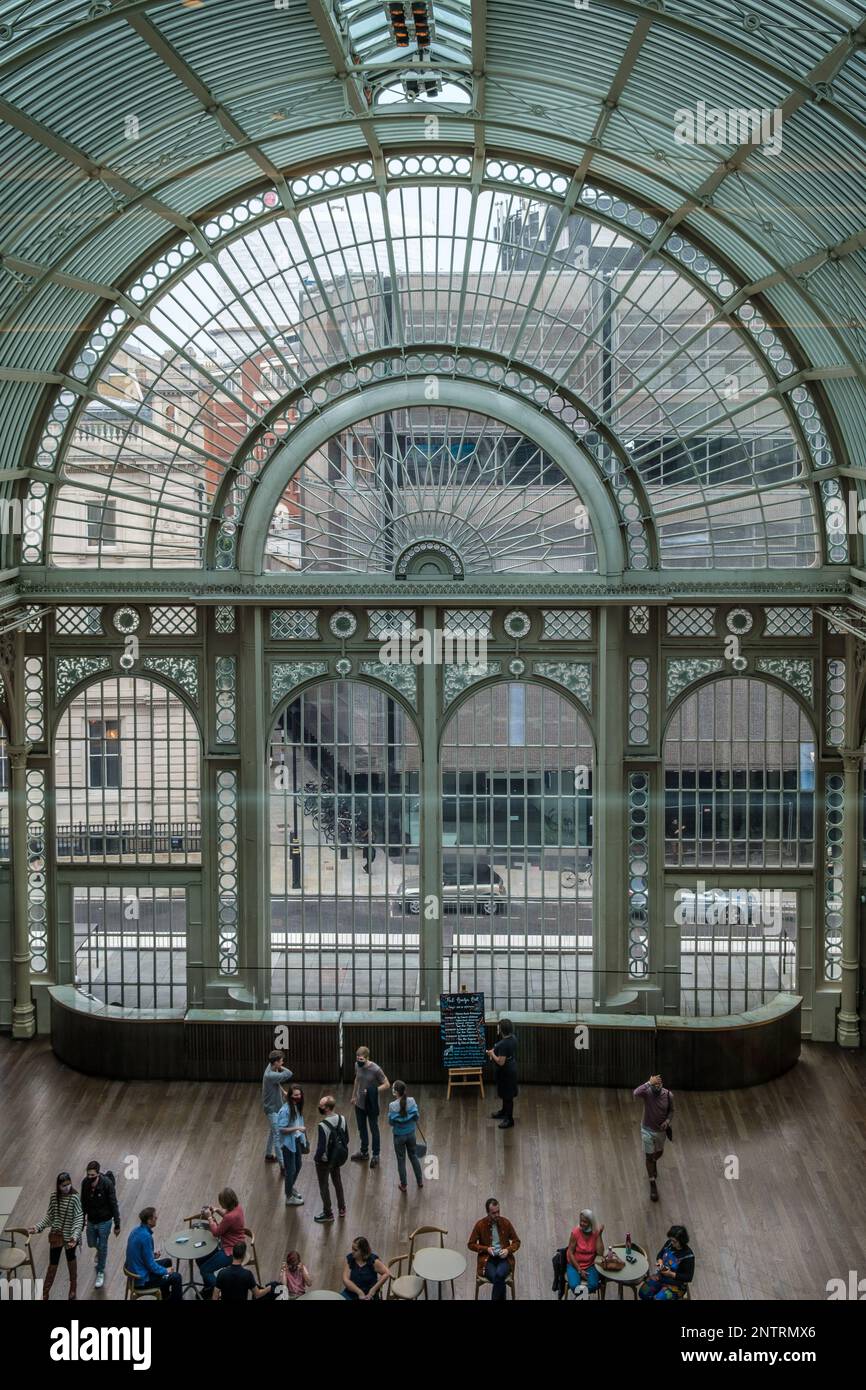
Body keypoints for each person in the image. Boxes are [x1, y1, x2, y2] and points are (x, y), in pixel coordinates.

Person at [29, 1171, 85, 1300]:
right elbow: (50, 1216)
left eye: (69, 1184)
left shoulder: (75, 1198)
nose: (67, 1187)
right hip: (56, 1236)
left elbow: (78, 1217)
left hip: (70, 1237)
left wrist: (75, 1236)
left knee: (71, 1261)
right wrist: (38, 1227)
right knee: (52, 1264)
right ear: (58, 1186)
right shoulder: (54, 1197)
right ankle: (45, 1291)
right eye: (64, 1185)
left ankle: (73, 1286)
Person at [467, 1197, 521, 1302]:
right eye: (493, 1213)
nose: (497, 1215)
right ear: (488, 1212)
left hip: (504, 1259)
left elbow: (517, 1242)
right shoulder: (480, 1225)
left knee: (499, 1275)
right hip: (487, 1260)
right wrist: (486, 1249)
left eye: (498, 1212)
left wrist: (508, 1250)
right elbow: (470, 1244)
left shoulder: (506, 1223)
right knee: (499, 1278)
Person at [124, 1207, 182, 1301]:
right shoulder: (146, 1237)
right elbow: (151, 1266)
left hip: (135, 1271)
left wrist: (152, 1255)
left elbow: (141, 1254)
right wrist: (165, 1271)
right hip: (141, 1280)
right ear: (149, 1220)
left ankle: (165, 1296)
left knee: (167, 1261)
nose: (157, 1218)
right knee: (176, 1277)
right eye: (155, 1217)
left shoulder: (136, 1230)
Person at [196, 1187, 246, 1297]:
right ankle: (209, 1287)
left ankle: (220, 1292)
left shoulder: (229, 1217)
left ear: (225, 1202)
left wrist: (209, 1218)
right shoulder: (238, 1208)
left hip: (230, 1252)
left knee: (205, 1270)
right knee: (200, 1258)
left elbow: (216, 1232)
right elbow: (228, 1215)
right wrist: (217, 1210)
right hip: (239, 1246)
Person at [633, 1072, 674, 1201]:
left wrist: (667, 1121)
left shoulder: (668, 1095)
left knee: (659, 1152)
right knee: (649, 1156)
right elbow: (636, 1093)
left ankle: (653, 1162)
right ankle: (652, 1184)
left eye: (659, 1084)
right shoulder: (647, 1092)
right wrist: (648, 1083)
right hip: (647, 1130)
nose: (657, 1086)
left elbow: (671, 1111)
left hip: (660, 1131)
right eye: (654, 1084)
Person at [80, 1159, 120, 1290]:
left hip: (105, 1221)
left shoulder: (107, 1184)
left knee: (103, 1246)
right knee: (91, 1243)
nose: (90, 1177)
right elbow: (83, 1203)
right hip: (91, 1220)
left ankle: (100, 1271)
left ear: (98, 1173)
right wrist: (82, 1221)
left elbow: (114, 1204)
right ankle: (100, 1251)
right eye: (88, 1175)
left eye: (93, 1175)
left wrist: (117, 1224)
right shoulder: (85, 1183)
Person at [350, 1045, 390, 1168]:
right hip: (359, 1104)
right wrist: (353, 1096)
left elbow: (387, 1084)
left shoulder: (376, 1069)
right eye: (357, 1058)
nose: (358, 1061)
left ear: (367, 1058)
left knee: (374, 1129)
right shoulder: (357, 1065)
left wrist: (373, 1090)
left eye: (361, 1059)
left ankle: (376, 1154)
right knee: (362, 1129)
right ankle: (364, 1152)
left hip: (371, 1104)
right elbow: (357, 1079)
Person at [313, 1094, 349, 1223]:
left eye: (321, 1105)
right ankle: (342, 1208)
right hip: (337, 1158)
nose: (319, 1106)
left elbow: (321, 1147)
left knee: (324, 1186)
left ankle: (328, 1213)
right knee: (337, 1182)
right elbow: (347, 1139)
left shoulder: (322, 1125)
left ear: (327, 1108)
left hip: (324, 1161)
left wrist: (316, 1159)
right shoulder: (342, 1119)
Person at [639, 1225, 695, 1300]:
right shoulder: (669, 1244)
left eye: (674, 1241)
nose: (672, 1243)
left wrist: (670, 1274)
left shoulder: (688, 1256)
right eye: (671, 1240)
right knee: (643, 1293)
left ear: (682, 1241)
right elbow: (660, 1255)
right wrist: (660, 1262)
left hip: (676, 1285)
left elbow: (688, 1277)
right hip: (661, 1276)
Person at [388, 1079, 424, 1192]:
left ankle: (404, 1185)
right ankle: (420, 1181)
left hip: (399, 1136)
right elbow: (416, 1117)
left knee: (401, 1160)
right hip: (411, 1134)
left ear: (395, 1092)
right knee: (413, 1156)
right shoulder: (412, 1101)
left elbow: (391, 1122)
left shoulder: (392, 1105)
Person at [262, 1049, 294, 1172]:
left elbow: (276, 1082)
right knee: (277, 1135)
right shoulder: (270, 1075)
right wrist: (282, 1067)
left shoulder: (270, 1068)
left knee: (273, 1131)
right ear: (275, 1062)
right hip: (272, 1109)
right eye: (281, 1061)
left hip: (275, 1106)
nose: (283, 1062)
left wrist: (282, 1090)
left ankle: (269, 1155)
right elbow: (289, 1073)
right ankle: (283, 1166)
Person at [276, 1085, 306, 1206]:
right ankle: (289, 1196)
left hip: (296, 1140)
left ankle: (290, 1188)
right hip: (288, 1144)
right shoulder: (286, 1110)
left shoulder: (296, 1106)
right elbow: (281, 1129)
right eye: (295, 1095)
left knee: (298, 1165)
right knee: (291, 1169)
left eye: (299, 1094)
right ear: (290, 1096)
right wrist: (298, 1128)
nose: (298, 1097)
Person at [487, 1018, 518, 1128]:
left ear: (502, 1030)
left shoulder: (504, 1044)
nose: (498, 1029)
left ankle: (509, 1119)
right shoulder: (513, 1038)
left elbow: (500, 1061)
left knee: (508, 1096)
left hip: (506, 1072)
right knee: (506, 1094)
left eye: (499, 1027)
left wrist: (491, 1054)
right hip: (511, 1068)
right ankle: (504, 1112)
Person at [566, 1209, 604, 1297]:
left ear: (591, 1223)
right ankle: (583, 1298)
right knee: (574, 1286)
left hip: (590, 1265)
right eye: (581, 1221)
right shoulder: (575, 1232)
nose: (582, 1224)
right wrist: (579, 1270)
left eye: (585, 1222)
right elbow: (570, 1252)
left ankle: (581, 1298)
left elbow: (600, 1252)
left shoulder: (595, 1232)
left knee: (594, 1285)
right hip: (574, 1264)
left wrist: (599, 1235)